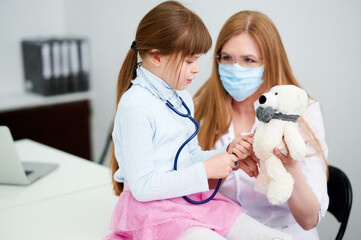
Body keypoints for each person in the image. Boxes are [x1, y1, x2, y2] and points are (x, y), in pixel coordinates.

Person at [104, 2, 291, 240]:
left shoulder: (180, 97)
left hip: (186, 198)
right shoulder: (135, 106)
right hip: (152, 210)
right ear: (156, 57)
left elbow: (189, 157)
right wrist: (205, 171)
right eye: (189, 61)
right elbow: (143, 187)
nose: (197, 69)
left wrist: (227, 154)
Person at [193, 10, 329, 240]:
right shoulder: (200, 109)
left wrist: (290, 165)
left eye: (248, 60)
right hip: (224, 232)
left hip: (287, 234)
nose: (236, 68)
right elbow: (190, 194)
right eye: (227, 58)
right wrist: (226, 162)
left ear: (269, 62)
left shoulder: (303, 112)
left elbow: (309, 219)